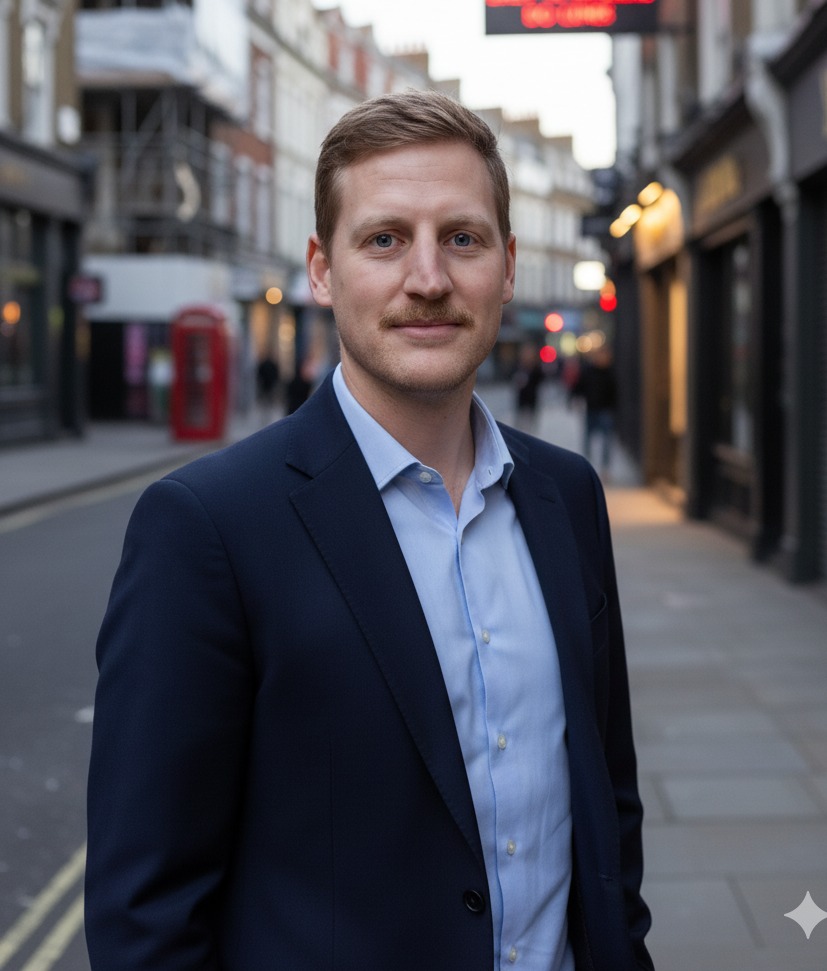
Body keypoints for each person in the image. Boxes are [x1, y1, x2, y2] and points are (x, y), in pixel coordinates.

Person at [85, 92, 653, 971]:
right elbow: (146, 910)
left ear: (507, 267)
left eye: (462, 239)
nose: (428, 278)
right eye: (384, 240)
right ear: (322, 270)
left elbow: (607, 807)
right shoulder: (207, 527)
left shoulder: (567, 495)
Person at [571, 345, 618, 478]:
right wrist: (576, 399)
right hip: (591, 409)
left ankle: (605, 467)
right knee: (587, 439)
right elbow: (579, 386)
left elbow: (615, 393)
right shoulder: (589, 371)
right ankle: (587, 466)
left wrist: (613, 409)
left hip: (605, 411)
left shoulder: (610, 373)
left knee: (606, 441)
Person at [512, 342, 544, 433]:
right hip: (522, 398)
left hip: (532, 398)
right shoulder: (519, 366)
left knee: (531, 422)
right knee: (520, 421)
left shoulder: (536, 368)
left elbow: (540, 380)